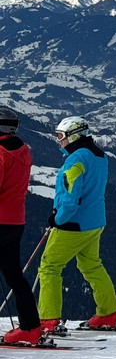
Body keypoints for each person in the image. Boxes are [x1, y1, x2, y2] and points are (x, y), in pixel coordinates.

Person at [37, 117, 116, 331]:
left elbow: (70, 195)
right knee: (92, 265)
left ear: (73, 135)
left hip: (72, 224)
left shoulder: (76, 160)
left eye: (60, 136)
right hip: (95, 222)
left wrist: (58, 218)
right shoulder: (99, 156)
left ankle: (48, 320)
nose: (59, 141)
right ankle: (108, 313)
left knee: (49, 267)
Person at [0, 107, 43, 345]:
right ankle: (30, 327)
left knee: (14, 275)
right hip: (15, 221)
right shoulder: (23, 150)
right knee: (15, 276)